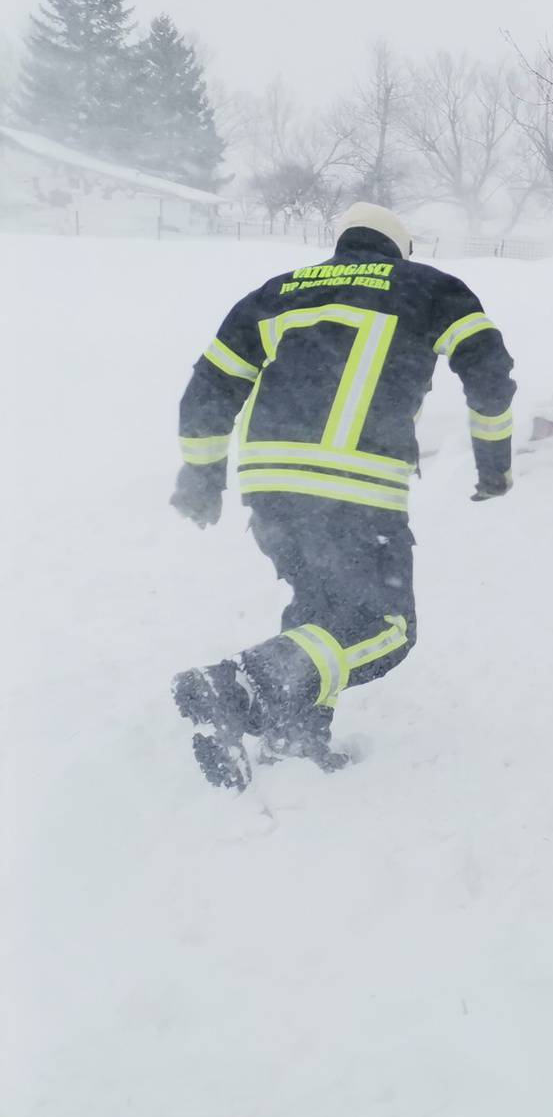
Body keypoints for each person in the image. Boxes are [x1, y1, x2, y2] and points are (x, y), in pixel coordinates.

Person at [168, 203, 516, 789]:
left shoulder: (278, 293)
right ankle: (239, 684)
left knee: (323, 610)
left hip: (270, 486)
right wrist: (494, 466)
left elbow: (209, 384)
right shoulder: (432, 288)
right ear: (399, 250)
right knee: (386, 629)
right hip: (354, 485)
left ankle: (293, 734)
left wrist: (201, 477)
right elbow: (489, 372)